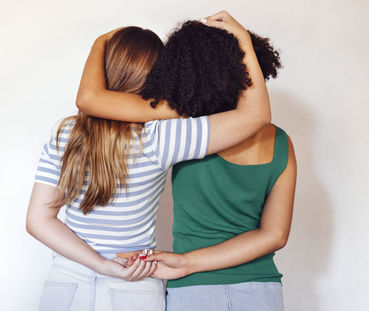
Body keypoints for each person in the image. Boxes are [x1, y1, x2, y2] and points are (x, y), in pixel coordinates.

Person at [27, 11, 271, 311]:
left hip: (66, 281)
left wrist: (102, 265)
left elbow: (38, 221)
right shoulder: (162, 136)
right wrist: (242, 41)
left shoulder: (65, 135)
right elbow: (256, 115)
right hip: (133, 283)